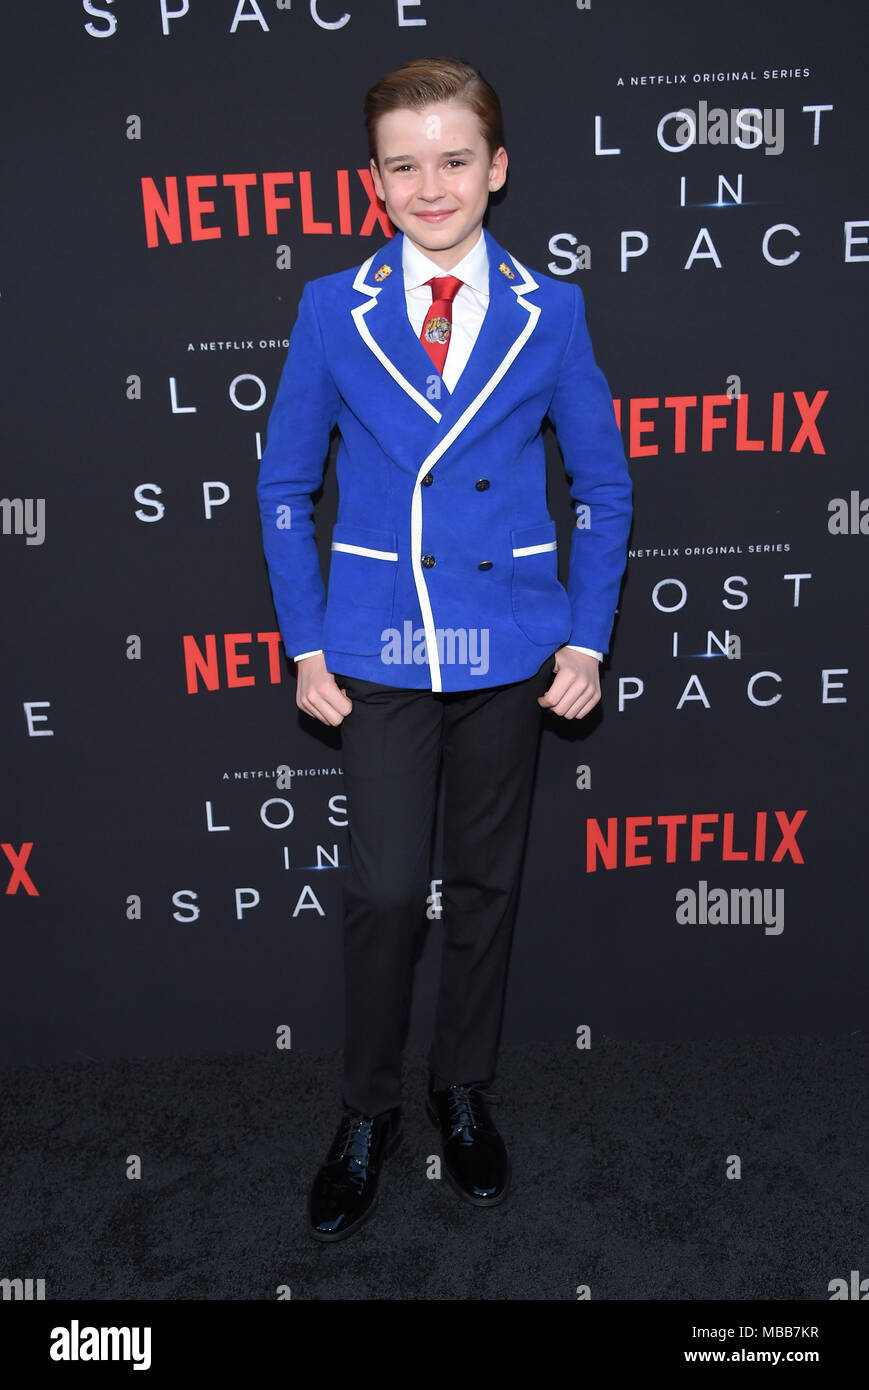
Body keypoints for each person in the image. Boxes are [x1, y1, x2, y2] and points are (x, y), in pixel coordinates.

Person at [256, 56, 632, 1242]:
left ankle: (458, 1086)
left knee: (485, 885)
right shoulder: (332, 307)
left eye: (454, 160)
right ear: (372, 182)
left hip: (509, 646)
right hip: (376, 645)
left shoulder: (550, 311)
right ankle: (367, 1107)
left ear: (497, 169)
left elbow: (604, 488)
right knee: (378, 889)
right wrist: (307, 645)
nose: (431, 186)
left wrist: (584, 634)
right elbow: (282, 488)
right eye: (404, 165)